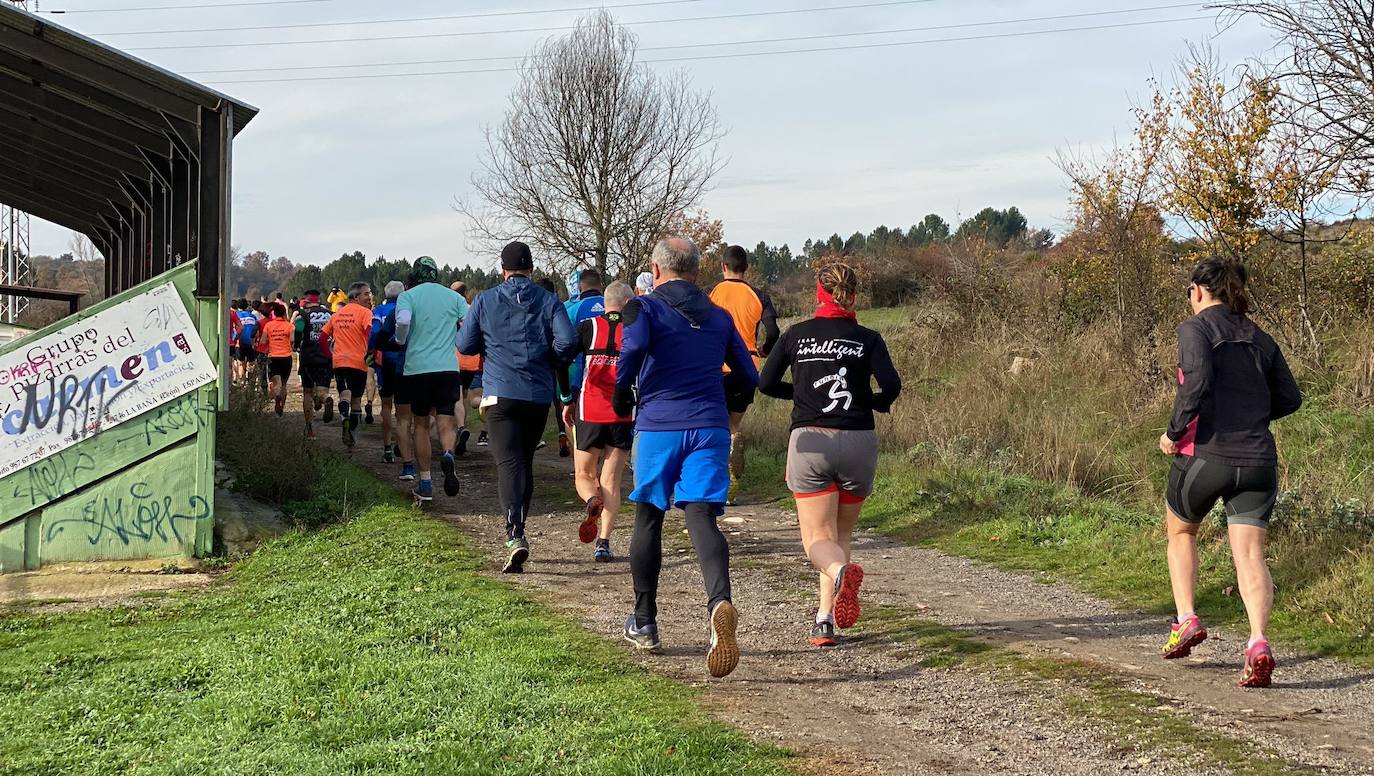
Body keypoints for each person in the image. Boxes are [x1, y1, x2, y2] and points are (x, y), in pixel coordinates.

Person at [614, 237, 757, 678]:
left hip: (659, 424)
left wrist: (622, 393)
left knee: (649, 517)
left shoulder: (645, 308)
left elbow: (634, 350)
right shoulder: (718, 315)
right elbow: (749, 374)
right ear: (697, 270)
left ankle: (645, 622)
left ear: (656, 271)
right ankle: (719, 602)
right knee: (701, 516)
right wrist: (729, 405)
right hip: (710, 425)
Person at [1158, 257, 1302, 689]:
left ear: (1198, 291)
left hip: (1206, 456)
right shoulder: (1261, 336)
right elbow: (1290, 398)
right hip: (1259, 462)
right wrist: (1252, 414)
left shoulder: (1195, 329)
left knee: (1181, 532)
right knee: (1251, 555)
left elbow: (1196, 383)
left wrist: (1173, 432)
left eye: (1189, 292)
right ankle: (1258, 642)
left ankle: (1185, 619)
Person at [759, 262, 902, 647]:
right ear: (853, 296)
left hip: (812, 442)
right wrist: (871, 401)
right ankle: (825, 620)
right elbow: (892, 385)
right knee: (840, 534)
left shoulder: (796, 335)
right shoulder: (868, 338)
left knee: (816, 541)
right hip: (858, 440)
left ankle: (840, 575)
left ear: (818, 294)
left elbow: (766, 382)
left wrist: (803, 395)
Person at [458, 241, 577, 572]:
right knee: (523, 461)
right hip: (538, 395)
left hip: (499, 393)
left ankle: (515, 534)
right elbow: (567, 342)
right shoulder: (549, 300)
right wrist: (549, 361)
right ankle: (518, 530)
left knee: (509, 464)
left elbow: (465, 345)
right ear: (531, 270)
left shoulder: (484, 300)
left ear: (502, 271)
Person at [558, 280, 634, 562]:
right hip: (623, 412)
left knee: (584, 476)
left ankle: (592, 500)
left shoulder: (588, 327)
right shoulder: (634, 331)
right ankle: (603, 542)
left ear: (606, 302)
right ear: (627, 303)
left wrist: (566, 397)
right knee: (611, 480)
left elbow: (561, 360)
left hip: (590, 409)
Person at [393, 257, 469, 501]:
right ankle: (448, 453)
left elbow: (403, 321)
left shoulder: (408, 296)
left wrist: (400, 340)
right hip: (447, 367)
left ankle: (425, 482)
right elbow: (469, 323)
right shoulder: (454, 297)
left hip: (417, 369)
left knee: (422, 424)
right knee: (446, 420)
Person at [709, 245, 780, 505]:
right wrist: (764, 349)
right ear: (746, 268)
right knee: (732, 424)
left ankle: (716, 484)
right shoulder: (758, 295)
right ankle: (730, 484)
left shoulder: (711, 293)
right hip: (747, 366)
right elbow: (773, 332)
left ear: (722, 267)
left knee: (713, 424)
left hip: (715, 365)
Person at [319, 282, 374, 449]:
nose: (369, 297)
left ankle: (344, 417)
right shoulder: (365, 313)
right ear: (355, 297)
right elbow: (370, 333)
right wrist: (371, 352)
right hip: (359, 361)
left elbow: (322, 338)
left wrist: (330, 355)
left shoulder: (337, 315)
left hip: (340, 361)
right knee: (356, 400)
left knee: (344, 394)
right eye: (366, 294)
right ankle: (353, 440)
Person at [563, 268, 606, 456]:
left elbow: (563, 344)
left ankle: (580, 459)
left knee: (572, 417)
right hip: (614, 372)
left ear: (580, 287)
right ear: (601, 285)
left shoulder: (572, 309)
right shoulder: (613, 304)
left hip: (581, 374)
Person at [371, 280, 405, 463]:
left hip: (384, 360)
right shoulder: (406, 309)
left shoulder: (379, 311)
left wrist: (372, 350)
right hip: (403, 359)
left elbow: (376, 332)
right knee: (403, 408)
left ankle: (387, 448)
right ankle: (402, 443)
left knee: (386, 405)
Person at [294, 290, 334, 438]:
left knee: (308, 392)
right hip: (326, 356)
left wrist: (297, 344)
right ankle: (326, 399)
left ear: (307, 301)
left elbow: (298, 330)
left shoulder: (302, 315)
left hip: (308, 357)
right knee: (322, 390)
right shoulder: (331, 314)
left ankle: (309, 427)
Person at [256, 301, 296, 416]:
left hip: (273, 357)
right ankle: (281, 408)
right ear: (284, 314)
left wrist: (272, 340)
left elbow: (263, 341)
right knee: (284, 384)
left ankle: (277, 396)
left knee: (275, 383)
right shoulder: (290, 326)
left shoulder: (269, 325)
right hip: (286, 357)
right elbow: (292, 340)